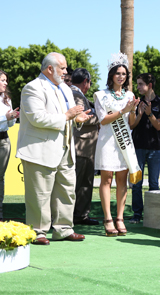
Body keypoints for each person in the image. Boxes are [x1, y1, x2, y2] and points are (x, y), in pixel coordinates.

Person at [16, 52, 92, 245]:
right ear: (50, 69)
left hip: (65, 149)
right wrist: (67, 116)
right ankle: (38, 231)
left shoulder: (65, 89)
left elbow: (68, 117)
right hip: (40, 150)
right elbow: (37, 117)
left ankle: (64, 229)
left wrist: (77, 120)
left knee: (67, 190)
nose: (66, 72)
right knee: (39, 193)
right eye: (63, 68)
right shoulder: (32, 88)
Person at [94, 53, 140, 236]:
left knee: (123, 179)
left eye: (124, 74)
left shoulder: (130, 95)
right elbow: (103, 120)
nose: (121, 76)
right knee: (107, 179)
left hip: (124, 141)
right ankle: (107, 218)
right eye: (118, 73)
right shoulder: (101, 95)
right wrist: (124, 110)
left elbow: (131, 123)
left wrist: (133, 110)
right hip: (107, 141)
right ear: (111, 75)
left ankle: (119, 217)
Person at [129, 73, 160, 224]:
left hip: (154, 149)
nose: (137, 87)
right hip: (137, 148)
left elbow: (158, 126)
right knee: (136, 183)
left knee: (154, 184)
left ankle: (153, 215)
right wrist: (138, 114)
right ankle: (137, 215)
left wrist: (149, 114)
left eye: (140, 84)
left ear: (149, 85)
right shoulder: (136, 102)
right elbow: (131, 126)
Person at [71, 68, 100, 226]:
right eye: (89, 82)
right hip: (80, 145)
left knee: (85, 183)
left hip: (86, 145)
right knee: (76, 183)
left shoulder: (78, 94)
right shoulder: (74, 94)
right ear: (85, 82)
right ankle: (70, 217)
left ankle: (81, 215)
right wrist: (100, 117)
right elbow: (81, 118)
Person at [0, 70, 20, 222]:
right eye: (2, 80)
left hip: (3, 141)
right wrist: (4, 117)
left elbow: (10, 124)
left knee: (0, 178)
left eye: (6, 80)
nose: (6, 83)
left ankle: (0, 215)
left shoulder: (6, 99)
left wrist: (12, 117)